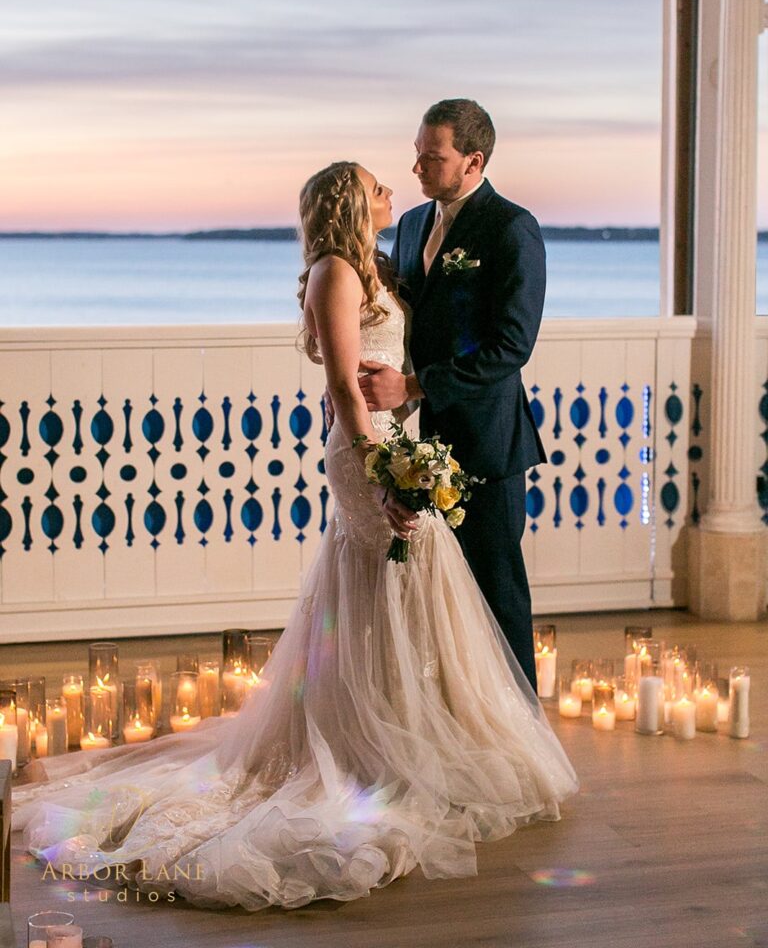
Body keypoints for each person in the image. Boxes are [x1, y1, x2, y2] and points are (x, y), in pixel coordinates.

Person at [13, 162, 576, 912]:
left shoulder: (376, 261)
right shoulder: (334, 274)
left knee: (410, 586)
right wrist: (380, 467)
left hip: (394, 439)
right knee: (386, 577)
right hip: (365, 450)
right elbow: (345, 385)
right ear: (350, 202)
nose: (393, 190)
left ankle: (416, 730)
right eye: (377, 184)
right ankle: (368, 746)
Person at [358, 100, 546, 691]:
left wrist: (412, 386)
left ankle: (523, 736)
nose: (417, 168)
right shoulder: (412, 225)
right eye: (416, 155)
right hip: (421, 446)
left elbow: (511, 346)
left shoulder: (511, 227)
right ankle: (458, 724)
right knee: (438, 600)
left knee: (497, 594)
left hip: (488, 445)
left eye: (431, 157)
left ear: (474, 160)